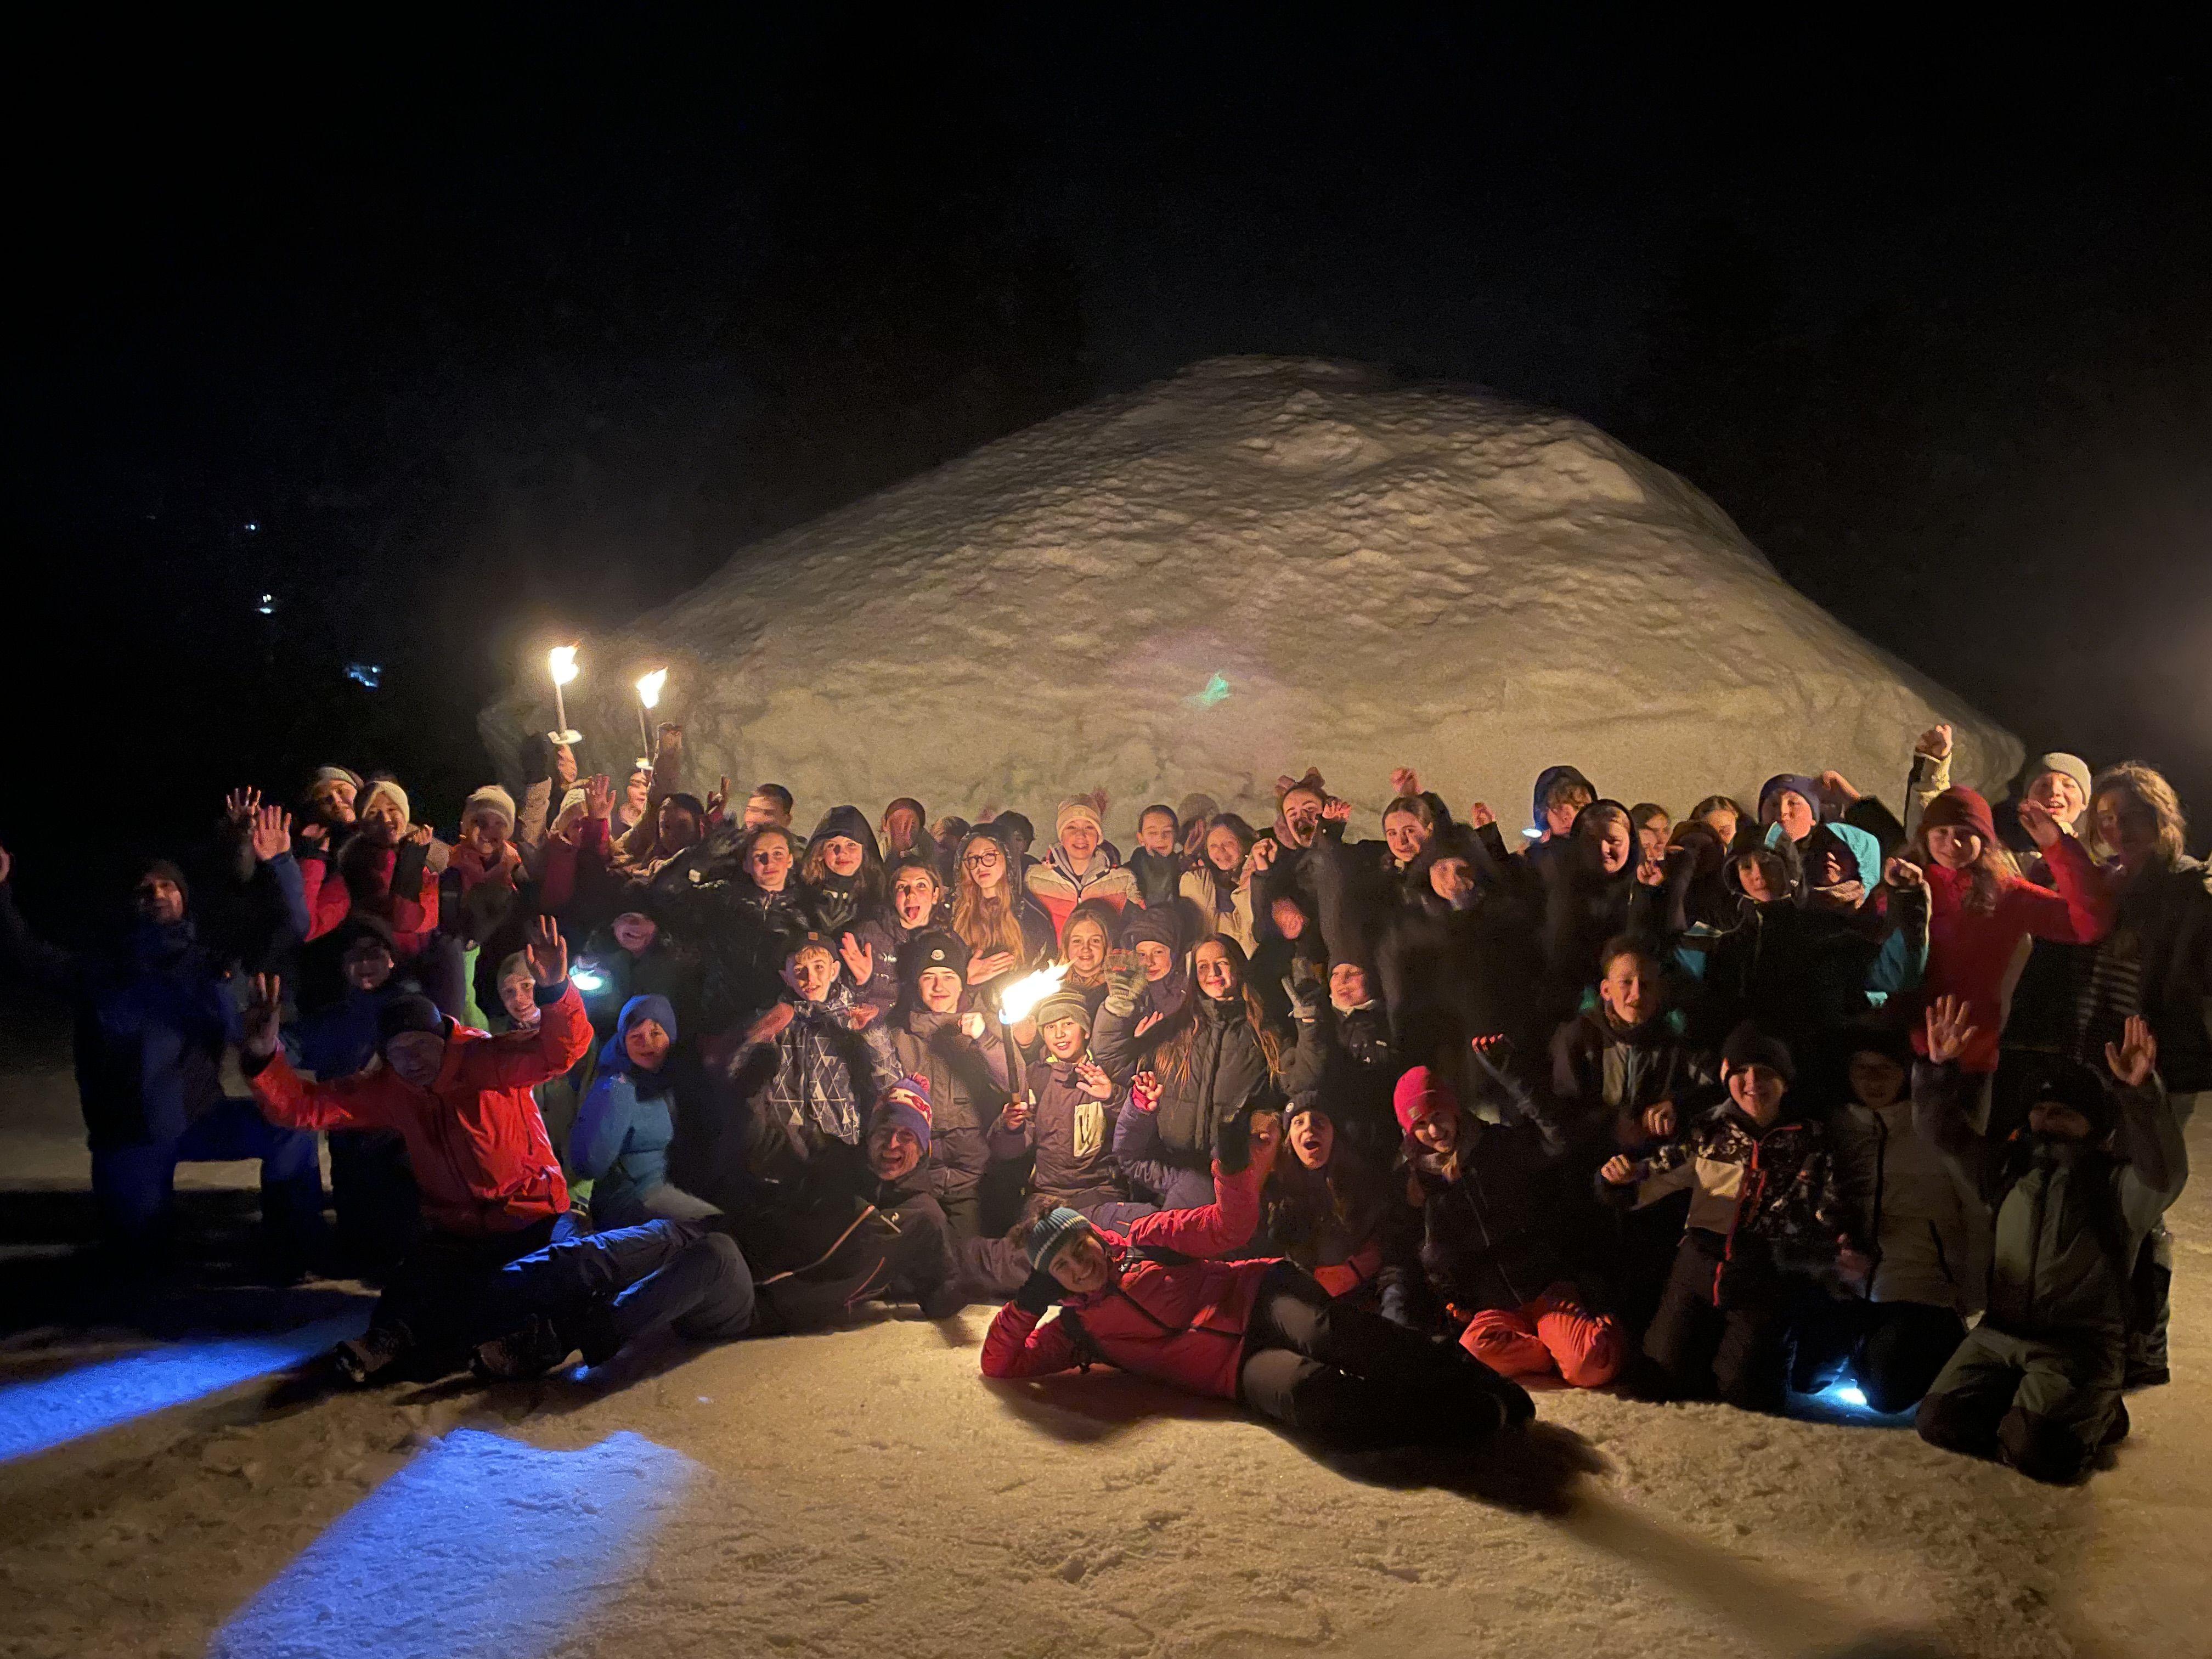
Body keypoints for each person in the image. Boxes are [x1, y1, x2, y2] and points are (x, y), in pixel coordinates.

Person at [981, 1108, 1536, 1444]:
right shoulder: (1080, 1331)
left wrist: (1231, 1169)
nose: (1083, 1266)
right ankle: (1465, 1415)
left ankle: (1465, 1373)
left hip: (1260, 1296)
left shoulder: (1147, 1237)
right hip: (1235, 1369)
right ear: (1054, 1281)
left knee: (1329, 1334)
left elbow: (1229, 1225)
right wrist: (1031, 1301)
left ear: (1094, 1236)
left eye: (1082, 1247)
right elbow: (1002, 1364)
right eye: (1064, 1268)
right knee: (1313, 1398)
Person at [240, 917, 591, 1382]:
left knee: (559, 1275)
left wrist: (556, 991)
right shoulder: (391, 1088)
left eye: (422, 1047)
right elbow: (303, 1107)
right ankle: (388, 1339)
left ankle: (527, 1343)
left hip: (531, 1213)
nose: (412, 1060)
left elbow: (559, 1050)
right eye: (399, 1051)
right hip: (459, 1227)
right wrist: (265, 1056)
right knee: (415, 1281)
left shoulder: (487, 1061)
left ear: (442, 1041)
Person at [0, 840, 325, 1273]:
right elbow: (24, 953)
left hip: (200, 1119)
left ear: (183, 898)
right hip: (131, 1136)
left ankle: (293, 1246)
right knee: (140, 1266)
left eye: (168, 886)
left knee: (291, 1128)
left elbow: (283, 930)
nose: (157, 895)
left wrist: (279, 863)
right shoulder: (100, 970)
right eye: (144, 890)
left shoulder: (210, 968)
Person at [1914, 1001, 2185, 1483]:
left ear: (2094, 1122)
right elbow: (1944, 1136)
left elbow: (2164, 1174)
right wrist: (1938, 1071)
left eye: (2063, 1111)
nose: (2047, 1118)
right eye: (2040, 1109)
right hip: (2000, 1335)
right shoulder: (2006, 1169)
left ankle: (2101, 1413)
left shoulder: (2118, 1187)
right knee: (1942, 1423)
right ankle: (2034, 1401)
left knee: (2042, 1454)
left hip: (2079, 1347)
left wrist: (2140, 1093)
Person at [1600, 1024, 1863, 1409]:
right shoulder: (1708, 1129)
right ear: (1727, 1078)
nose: (1753, 1082)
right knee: (1663, 1376)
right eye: (1742, 1072)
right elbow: (1654, 1177)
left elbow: (1831, 1206)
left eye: (1766, 1072)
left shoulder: (1811, 1140)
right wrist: (1620, 1179)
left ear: (1785, 1082)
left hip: (1761, 1278)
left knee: (1747, 1392)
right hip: (1698, 1265)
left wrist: (1841, 1245)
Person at [1384, 1068, 1622, 1390]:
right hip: (1492, 1308)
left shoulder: (1496, 1145)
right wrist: (1451, 1300)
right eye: (1421, 1125)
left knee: (1591, 1367)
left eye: (1438, 1116)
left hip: (1542, 1289)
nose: (1434, 1130)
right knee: (1473, 1352)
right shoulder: (1415, 1184)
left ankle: (1580, 1338)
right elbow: (1423, 1256)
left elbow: (1557, 1144)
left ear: (1454, 1110)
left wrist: (1518, 1081)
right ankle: (1552, 1350)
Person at [1803, 1023, 1983, 1413]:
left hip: (1919, 1283)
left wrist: (1971, 1290)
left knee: (1885, 1393)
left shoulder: (1933, 1129)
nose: (1873, 1080)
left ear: (1906, 1074)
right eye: (1862, 1068)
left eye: (1886, 1068)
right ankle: (1861, 1345)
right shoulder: (1835, 1126)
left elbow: (1975, 1210)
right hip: (1849, 1283)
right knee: (1805, 1377)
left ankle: (1945, 1343)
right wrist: (1829, 1255)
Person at [1096, 934, 1314, 1210]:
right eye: (1202, 966)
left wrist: (1311, 1024)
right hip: (1172, 1177)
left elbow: (1301, 1083)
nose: (1213, 973)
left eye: (1221, 963)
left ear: (1238, 967)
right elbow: (1115, 1061)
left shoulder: (1265, 1034)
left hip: (1234, 1180)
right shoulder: (1175, 1029)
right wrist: (1118, 1009)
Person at [1907, 786, 2112, 1073]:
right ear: (1926, 836)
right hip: (1900, 1041)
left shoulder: (2007, 893)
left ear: (1985, 840)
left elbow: (2087, 925)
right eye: (1942, 832)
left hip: (1973, 1050)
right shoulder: (1909, 884)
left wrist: (2057, 847)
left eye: (1965, 835)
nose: (1951, 844)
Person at [738, 1085, 964, 1327]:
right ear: (870, 1135)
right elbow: (779, 1142)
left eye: (907, 1136)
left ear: (923, 1148)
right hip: (747, 1281)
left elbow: (940, 1294)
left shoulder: (924, 1218)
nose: (892, 1143)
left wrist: (971, 1288)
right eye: (884, 1131)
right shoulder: (832, 1158)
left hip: (772, 1317)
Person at [285, 918, 422, 1271]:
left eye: (373, 954)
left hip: (400, 1138)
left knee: (399, 1231)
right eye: (354, 956)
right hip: (348, 1139)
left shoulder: (412, 1007)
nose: (364, 964)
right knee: (358, 1238)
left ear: (391, 958)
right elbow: (292, 1045)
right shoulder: (334, 1017)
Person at [881, 929, 1015, 1238]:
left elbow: (1014, 1081)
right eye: (929, 976)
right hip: (914, 1176)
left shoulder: (985, 1026)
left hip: (971, 1180)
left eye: (949, 976)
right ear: (917, 984)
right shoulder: (899, 1035)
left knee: (966, 1257)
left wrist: (984, 1038)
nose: (939, 986)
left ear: (962, 983)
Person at [989, 985, 1144, 1223]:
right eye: (1051, 1027)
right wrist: (1010, 1127)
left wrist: (1112, 1094)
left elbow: (1139, 1129)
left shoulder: (1105, 1072)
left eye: (1068, 1024)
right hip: (1048, 1195)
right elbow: (1010, 1150)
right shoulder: (1035, 1077)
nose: (1059, 1034)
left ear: (1086, 1031)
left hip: (1101, 1191)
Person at [568, 994, 720, 1228]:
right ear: (623, 1041)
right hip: (630, 1199)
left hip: (664, 1186)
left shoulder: (667, 1078)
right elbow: (589, 1163)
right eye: (635, 1036)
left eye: (656, 1033)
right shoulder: (617, 1086)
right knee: (714, 1229)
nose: (646, 1042)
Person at [1265, 1093, 1390, 1299]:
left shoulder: (1359, 1181)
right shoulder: (1276, 1187)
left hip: (1354, 1296)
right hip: (1294, 1301)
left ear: (1334, 1133)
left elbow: (1383, 1241)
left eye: (1318, 1121)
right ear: (1289, 1139)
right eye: (1299, 1122)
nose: (1308, 1127)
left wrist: (1353, 1271)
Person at [949, 828, 1053, 1003]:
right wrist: (967, 980)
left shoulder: (1030, 916)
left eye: (989, 856)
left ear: (1007, 858)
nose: (980, 865)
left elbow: (1045, 970)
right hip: (967, 1015)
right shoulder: (953, 916)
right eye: (972, 859)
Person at [1025, 794, 1138, 943]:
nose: (1080, 835)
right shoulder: (1035, 879)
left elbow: (1136, 931)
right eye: (1071, 827)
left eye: (1089, 827)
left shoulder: (1123, 880)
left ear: (1098, 836)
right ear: (1061, 835)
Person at [799, 805, 888, 937]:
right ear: (820, 851)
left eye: (851, 845)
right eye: (832, 845)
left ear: (865, 851)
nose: (842, 853)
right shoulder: (800, 894)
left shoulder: (880, 896)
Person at [1179, 812, 1261, 954]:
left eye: (1228, 843)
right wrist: (1189, 858)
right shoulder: (1201, 880)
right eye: (1213, 845)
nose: (1220, 850)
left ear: (1244, 843)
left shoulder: (1260, 876)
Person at [1124, 803, 1185, 910]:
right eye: (1152, 833)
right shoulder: (1127, 875)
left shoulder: (1185, 869)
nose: (1160, 838)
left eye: (1167, 831)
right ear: (1141, 838)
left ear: (1176, 836)